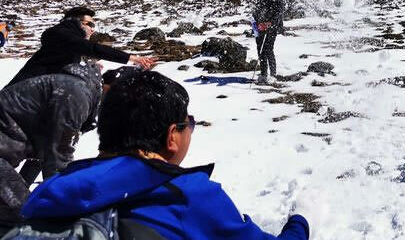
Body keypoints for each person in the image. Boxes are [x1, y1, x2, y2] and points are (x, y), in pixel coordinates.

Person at [19, 70, 310, 240]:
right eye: (189, 124)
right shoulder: (188, 196)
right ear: (172, 136)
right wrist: (300, 222)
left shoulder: (50, 190)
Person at [0, 62, 103, 230]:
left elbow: (43, 154)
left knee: (25, 211)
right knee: (27, 217)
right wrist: (64, 203)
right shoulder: (75, 94)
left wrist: (25, 188)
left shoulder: (75, 89)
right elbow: (59, 155)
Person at [6, 7, 155, 87]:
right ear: (77, 22)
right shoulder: (62, 33)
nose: (93, 29)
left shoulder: (67, 42)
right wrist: (132, 58)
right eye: (90, 24)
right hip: (16, 98)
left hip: (28, 100)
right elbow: (91, 48)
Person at [252, 0, 284, 83]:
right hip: (261, 26)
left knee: (268, 49)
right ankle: (263, 74)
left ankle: (273, 75)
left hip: (272, 26)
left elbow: (279, 12)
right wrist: (258, 23)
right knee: (260, 50)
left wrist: (270, 23)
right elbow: (257, 11)